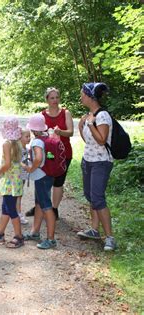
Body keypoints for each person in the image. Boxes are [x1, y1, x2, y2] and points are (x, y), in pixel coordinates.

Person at [76, 82, 116, 251]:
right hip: (88, 160)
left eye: (82, 94)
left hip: (101, 162)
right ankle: (94, 230)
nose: (80, 97)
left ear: (90, 97)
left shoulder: (103, 116)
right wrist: (82, 124)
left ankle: (110, 238)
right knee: (90, 195)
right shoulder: (89, 115)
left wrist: (91, 124)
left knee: (98, 198)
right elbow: (89, 140)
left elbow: (101, 140)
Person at [25, 88, 74, 219]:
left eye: (57, 97)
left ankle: (54, 209)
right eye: (52, 98)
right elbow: (36, 132)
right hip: (46, 153)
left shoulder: (65, 113)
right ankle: (39, 206)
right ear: (46, 99)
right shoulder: (42, 115)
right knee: (41, 179)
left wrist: (60, 132)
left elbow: (71, 132)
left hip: (63, 152)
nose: (55, 100)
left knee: (58, 182)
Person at [0, 117, 24, 248]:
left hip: (9, 182)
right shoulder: (17, 142)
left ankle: (19, 236)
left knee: (11, 209)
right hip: (14, 181)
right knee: (5, 207)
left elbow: (7, 164)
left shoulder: (6, 144)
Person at [22, 114, 57, 249]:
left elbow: (38, 158)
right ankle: (35, 232)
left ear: (33, 130)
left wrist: (30, 169)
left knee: (47, 207)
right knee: (39, 204)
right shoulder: (46, 137)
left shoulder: (37, 141)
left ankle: (51, 239)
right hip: (46, 176)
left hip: (41, 177)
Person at [17, 128, 31, 225]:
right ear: (19, 137)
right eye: (27, 136)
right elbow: (17, 161)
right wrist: (25, 166)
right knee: (18, 195)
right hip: (17, 176)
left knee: (19, 195)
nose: (29, 138)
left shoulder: (26, 149)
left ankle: (16, 213)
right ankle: (18, 214)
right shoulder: (18, 149)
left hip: (23, 176)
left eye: (30, 136)